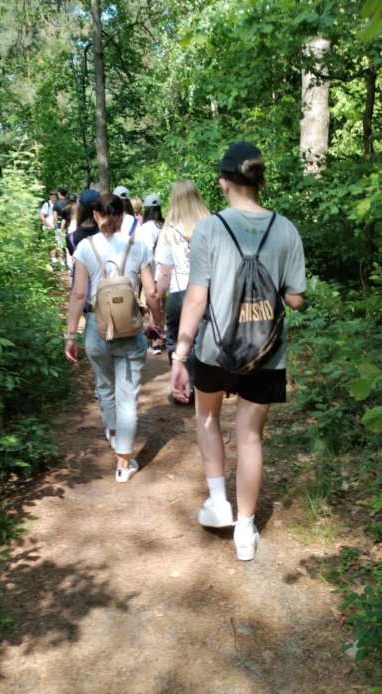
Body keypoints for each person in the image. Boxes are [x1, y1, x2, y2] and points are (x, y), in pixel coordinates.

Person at [170, 141, 306, 561]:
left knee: (207, 416)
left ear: (223, 182)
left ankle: (218, 503)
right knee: (250, 436)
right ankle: (245, 529)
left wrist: (179, 355)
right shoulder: (286, 229)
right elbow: (296, 298)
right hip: (267, 350)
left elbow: (196, 297)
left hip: (215, 347)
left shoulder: (209, 229)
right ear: (261, 182)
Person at [64, 193, 162, 482]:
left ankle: (113, 433)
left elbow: (78, 294)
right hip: (130, 328)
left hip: (97, 328)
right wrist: (156, 322)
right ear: (122, 216)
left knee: (105, 387)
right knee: (127, 398)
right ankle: (123, 463)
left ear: (96, 216)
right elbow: (151, 292)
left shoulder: (85, 247)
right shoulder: (138, 245)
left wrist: (70, 335)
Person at [156, 180, 209, 391]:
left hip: (179, 293)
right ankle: (198, 384)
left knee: (174, 339)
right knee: (200, 341)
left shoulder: (168, 230)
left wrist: (158, 297)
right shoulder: (210, 225)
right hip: (206, 291)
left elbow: (165, 272)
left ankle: (181, 381)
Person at [136, 194, 165, 354]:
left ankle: (155, 341)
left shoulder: (145, 228)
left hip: (151, 272)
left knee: (152, 305)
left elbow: (144, 251)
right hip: (166, 273)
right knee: (161, 305)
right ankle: (160, 335)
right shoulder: (164, 225)